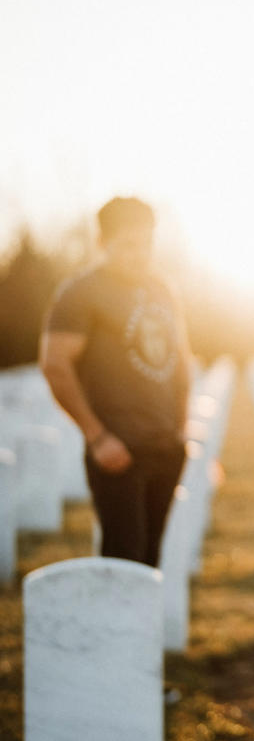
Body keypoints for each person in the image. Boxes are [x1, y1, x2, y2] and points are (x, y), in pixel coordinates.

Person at [39, 196, 192, 568]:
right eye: (128, 245)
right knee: (124, 562)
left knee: (151, 559)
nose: (139, 254)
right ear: (102, 243)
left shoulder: (162, 288)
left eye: (146, 243)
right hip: (118, 451)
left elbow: (180, 360)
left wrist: (181, 431)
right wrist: (97, 437)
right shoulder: (81, 292)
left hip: (166, 446)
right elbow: (55, 364)